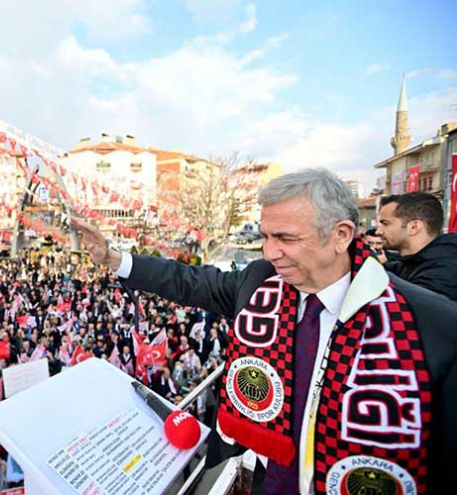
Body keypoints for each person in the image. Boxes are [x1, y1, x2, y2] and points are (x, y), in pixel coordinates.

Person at [71, 168, 457, 494]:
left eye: (286, 238)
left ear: (341, 235)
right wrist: (113, 258)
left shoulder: (430, 326)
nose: (270, 252)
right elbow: (189, 281)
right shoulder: (259, 283)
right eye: (265, 237)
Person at [376, 191, 457, 300]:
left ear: (414, 227)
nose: (378, 231)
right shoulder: (413, 262)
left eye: (385, 224)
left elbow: (414, 310)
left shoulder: (441, 273)